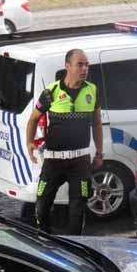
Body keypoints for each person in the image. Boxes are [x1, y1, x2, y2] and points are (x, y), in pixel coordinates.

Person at [25, 49, 103, 235]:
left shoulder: (92, 90)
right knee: (42, 204)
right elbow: (33, 119)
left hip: (80, 162)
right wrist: (29, 143)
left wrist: (99, 153)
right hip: (53, 162)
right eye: (80, 64)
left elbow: (97, 123)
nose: (85, 69)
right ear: (67, 66)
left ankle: (75, 246)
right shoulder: (51, 92)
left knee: (78, 210)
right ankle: (43, 239)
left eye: (87, 64)